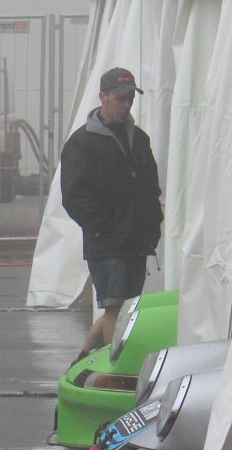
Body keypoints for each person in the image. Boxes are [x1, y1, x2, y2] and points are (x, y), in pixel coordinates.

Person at [60, 66, 163, 357]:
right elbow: (73, 196)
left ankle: (82, 362)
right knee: (115, 309)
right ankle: (112, 369)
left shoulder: (139, 139)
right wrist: (102, 225)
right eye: (121, 98)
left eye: (130, 98)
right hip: (106, 243)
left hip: (135, 240)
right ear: (103, 97)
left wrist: (151, 225)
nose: (127, 104)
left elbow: (150, 187)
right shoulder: (81, 143)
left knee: (122, 309)